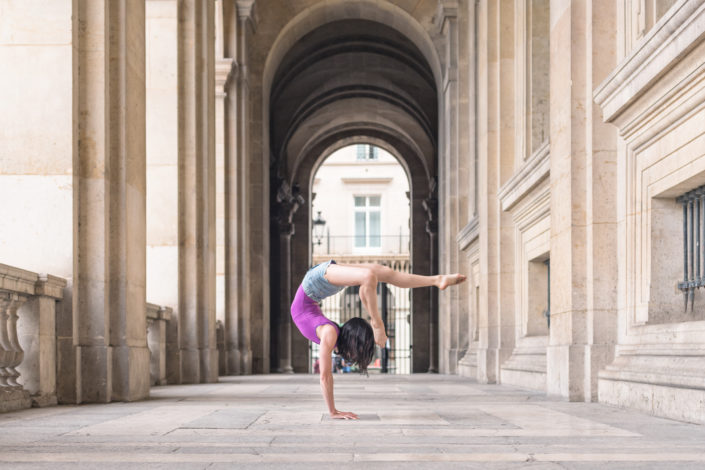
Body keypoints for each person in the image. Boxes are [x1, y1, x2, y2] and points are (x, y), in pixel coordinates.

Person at [290, 260, 466, 420]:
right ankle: (433, 283)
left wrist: (333, 411)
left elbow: (325, 376)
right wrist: (333, 411)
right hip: (318, 286)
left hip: (315, 283)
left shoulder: (329, 333)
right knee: (375, 274)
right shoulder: (330, 333)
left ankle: (434, 282)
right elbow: (325, 376)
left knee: (377, 274)